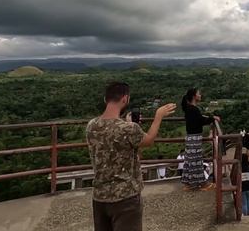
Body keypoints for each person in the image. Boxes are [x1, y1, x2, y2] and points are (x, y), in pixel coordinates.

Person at [87, 81, 177, 231]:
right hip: (126, 197)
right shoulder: (129, 129)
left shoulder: (91, 125)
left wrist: (128, 123)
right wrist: (158, 116)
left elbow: (113, 140)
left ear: (105, 99)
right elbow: (148, 141)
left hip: (99, 197)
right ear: (125, 99)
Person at [182, 88, 220, 191]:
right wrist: (213, 118)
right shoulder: (193, 109)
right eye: (199, 94)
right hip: (194, 137)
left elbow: (199, 119)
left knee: (190, 160)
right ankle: (203, 184)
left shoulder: (189, 108)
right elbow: (201, 121)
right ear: (194, 96)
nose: (200, 95)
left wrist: (210, 118)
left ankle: (188, 184)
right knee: (196, 161)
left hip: (190, 137)